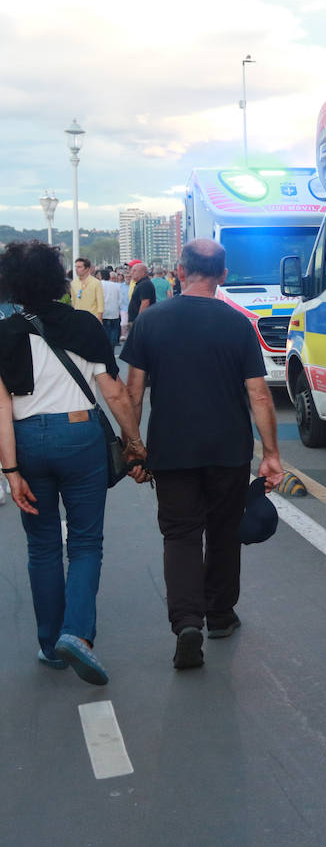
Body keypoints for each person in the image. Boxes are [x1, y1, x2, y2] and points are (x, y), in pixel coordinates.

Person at [121, 239, 284, 670]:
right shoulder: (237, 324)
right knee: (224, 531)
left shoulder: (151, 321)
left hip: (171, 448)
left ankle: (186, 622)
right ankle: (220, 615)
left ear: (178, 270)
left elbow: (132, 391)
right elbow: (260, 395)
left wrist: (134, 449)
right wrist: (270, 454)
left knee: (180, 534)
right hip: (227, 449)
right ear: (224, 276)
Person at [0, 241, 145, 686]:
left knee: (41, 545)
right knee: (84, 542)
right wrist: (135, 443)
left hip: (26, 439)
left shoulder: (3, 333)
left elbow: (1, 408)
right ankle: (76, 633)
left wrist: (11, 471)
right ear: (59, 277)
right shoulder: (83, 324)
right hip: (80, 435)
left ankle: (50, 646)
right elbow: (114, 393)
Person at [69, 257, 103, 322]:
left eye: (79, 267)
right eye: (76, 267)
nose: (76, 269)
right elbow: (73, 302)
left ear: (87, 269)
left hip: (92, 319)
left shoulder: (96, 283)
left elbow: (100, 304)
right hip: (78, 319)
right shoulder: (73, 283)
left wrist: (99, 320)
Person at [126, 261, 155, 330]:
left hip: (139, 321)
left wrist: (139, 321)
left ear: (143, 273)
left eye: (134, 271)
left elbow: (145, 303)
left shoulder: (144, 284)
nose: (131, 273)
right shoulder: (140, 283)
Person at [97, 269, 122, 347]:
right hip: (114, 312)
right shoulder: (117, 285)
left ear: (101, 276)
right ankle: (112, 347)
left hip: (103, 312)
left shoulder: (98, 285)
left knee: (104, 332)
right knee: (114, 331)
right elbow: (120, 299)